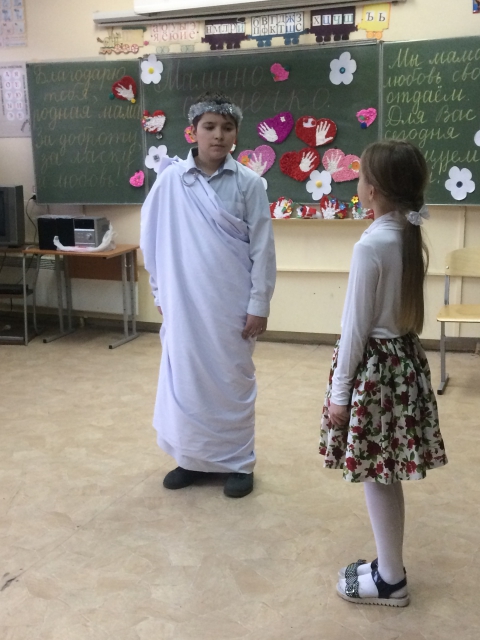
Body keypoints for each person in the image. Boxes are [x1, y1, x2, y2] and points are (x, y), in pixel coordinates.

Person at [319, 140, 447, 606]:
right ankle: (388, 566)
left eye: (360, 177)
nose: (357, 183)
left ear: (372, 190)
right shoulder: (405, 235)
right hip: (401, 364)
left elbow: (354, 329)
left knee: (377, 474)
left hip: (374, 373)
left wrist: (340, 393)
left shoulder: (371, 245)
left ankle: (391, 579)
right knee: (384, 472)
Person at [140, 91, 276, 498]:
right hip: (183, 304)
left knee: (233, 380)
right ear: (193, 132)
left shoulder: (250, 184)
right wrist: (159, 290)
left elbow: (263, 249)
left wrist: (259, 305)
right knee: (187, 379)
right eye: (210, 127)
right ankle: (191, 458)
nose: (218, 135)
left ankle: (239, 462)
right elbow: (152, 238)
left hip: (230, 305)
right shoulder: (171, 181)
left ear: (236, 134)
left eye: (227, 128)